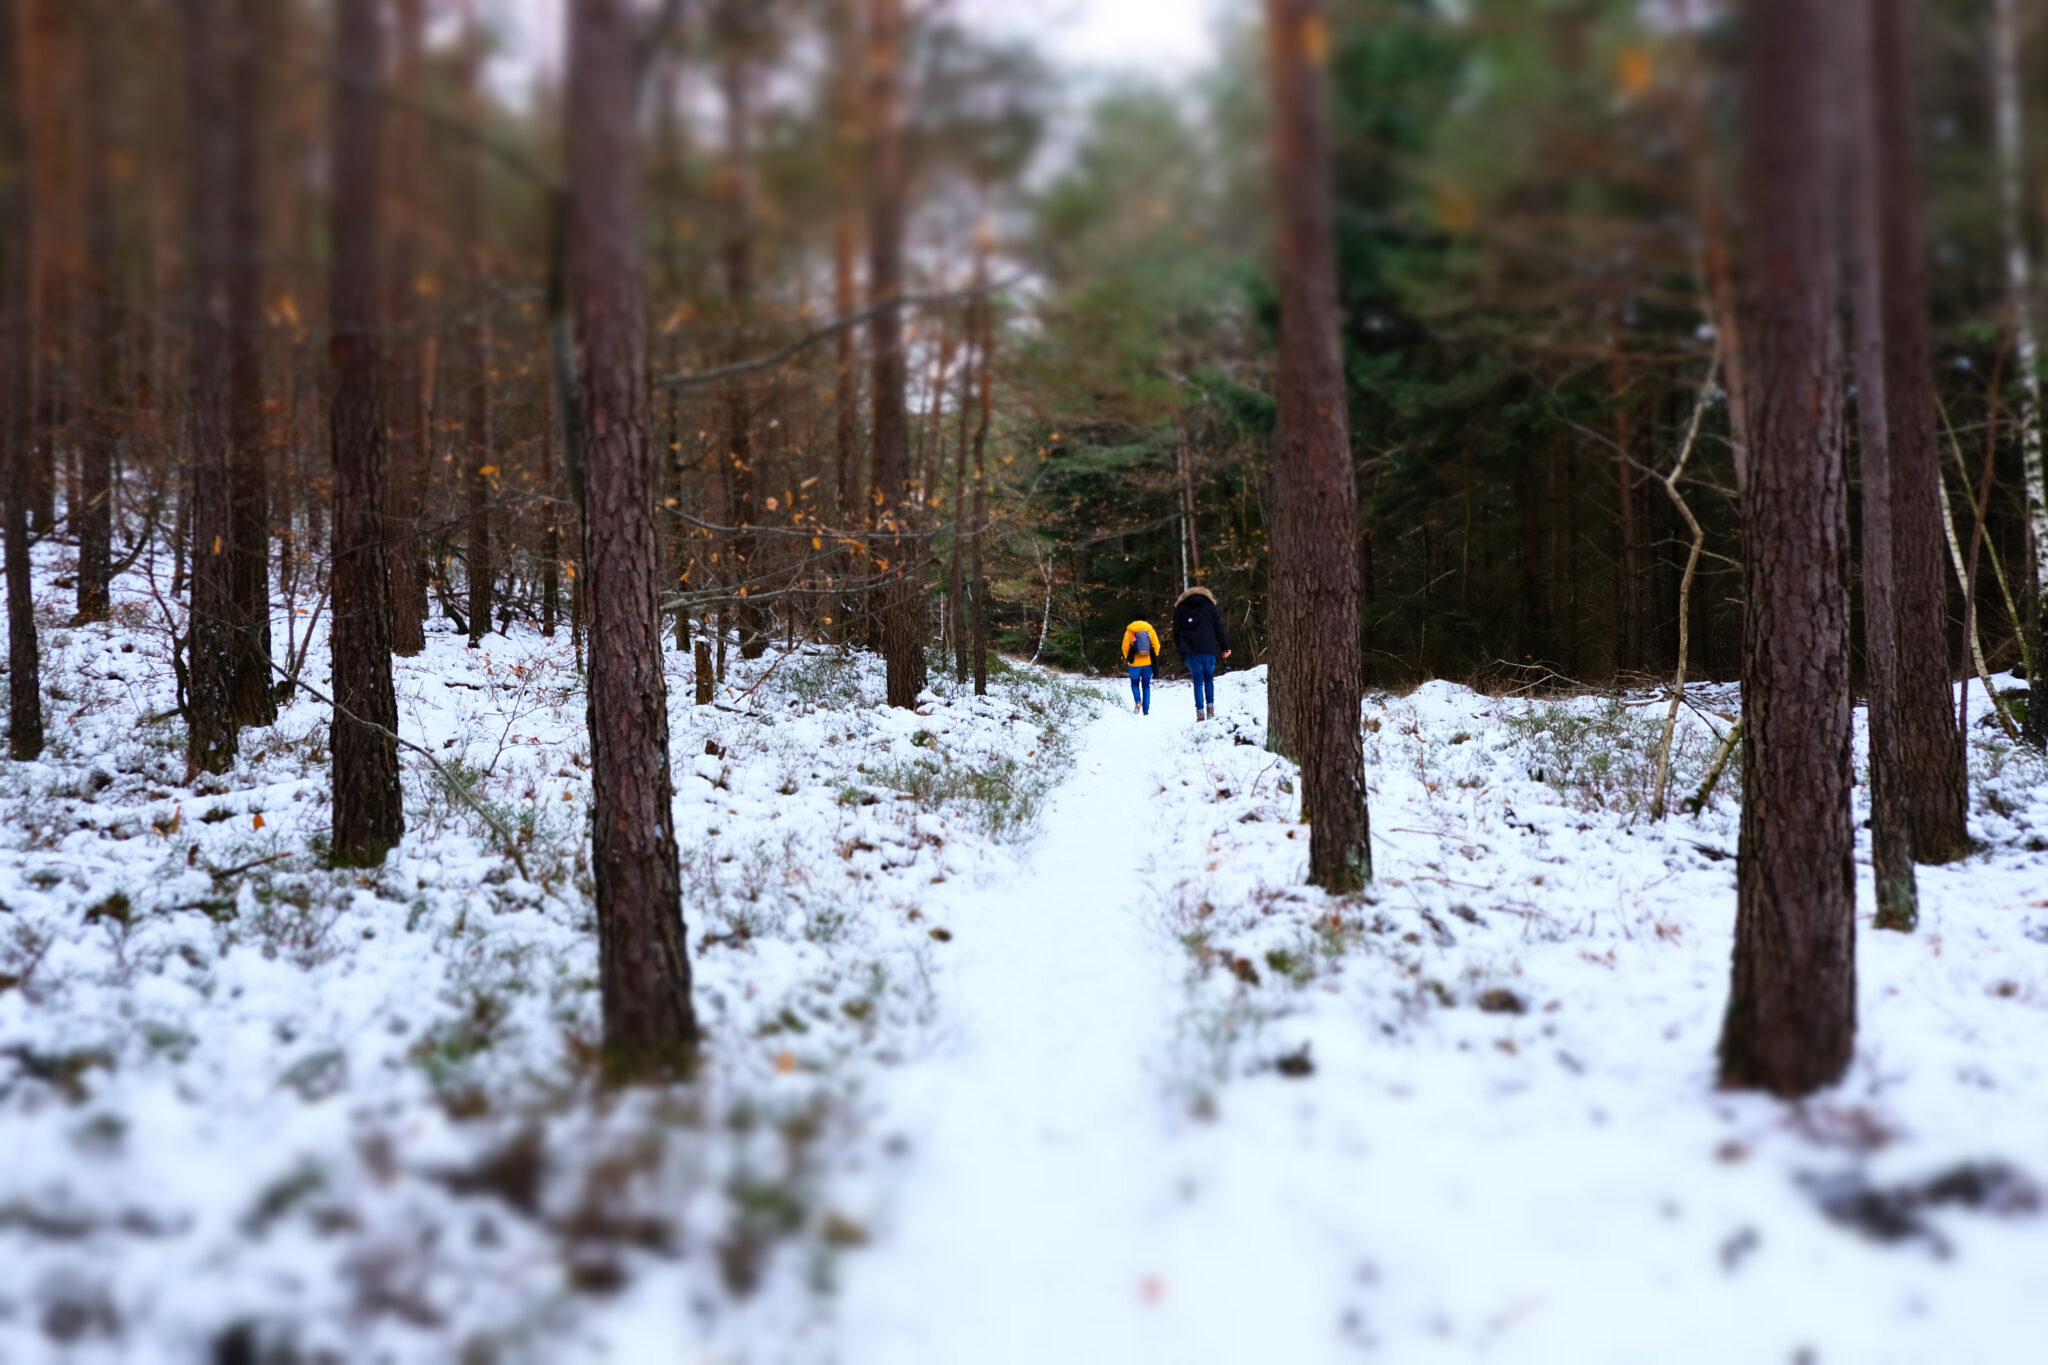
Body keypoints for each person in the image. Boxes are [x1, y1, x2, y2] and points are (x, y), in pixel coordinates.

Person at [1171, 585, 1231, 721]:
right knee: (1208, 678)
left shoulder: (1181, 608)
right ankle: (1210, 710)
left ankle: (1200, 713)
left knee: (1197, 682)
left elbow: (1176, 632)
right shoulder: (1210, 606)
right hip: (1209, 650)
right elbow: (1218, 628)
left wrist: (1181, 651)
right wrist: (1225, 647)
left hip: (1191, 651)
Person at [1121, 617, 1161, 715]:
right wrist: (1153, 656)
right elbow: (1157, 645)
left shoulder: (1130, 630)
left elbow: (1125, 646)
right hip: (1148, 663)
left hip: (1134, 664)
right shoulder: (1149, 630)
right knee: (1146, 686)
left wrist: (1128, 658)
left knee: (1134, 684)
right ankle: (1146, 711)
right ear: (1145, 620)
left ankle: (1138, 701)